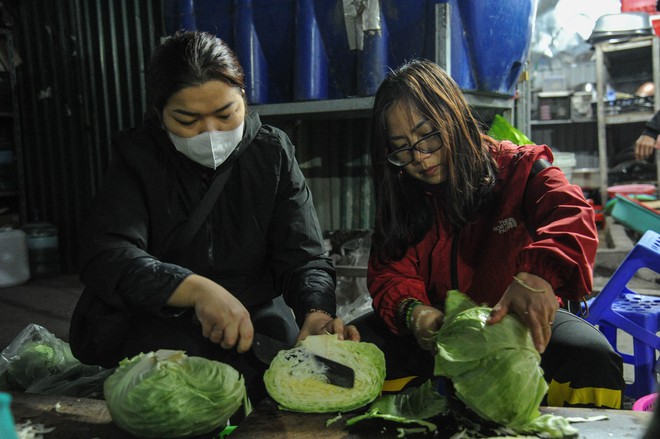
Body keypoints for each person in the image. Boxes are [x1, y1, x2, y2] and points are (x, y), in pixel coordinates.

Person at [69, 31, 358, 404]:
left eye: (226, 114)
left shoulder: (272, 154)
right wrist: (193, 289)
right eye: (187, 120)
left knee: (321, 385)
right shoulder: (138, 157)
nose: (210, 134)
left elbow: (304, 256)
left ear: (244, 98)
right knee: (178, 401)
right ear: (159, 114)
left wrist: (317, 311)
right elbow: (106, 253)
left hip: (257, 326)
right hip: (164, 324)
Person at [352, 59, 625, 408]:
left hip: (518, 330)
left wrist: (536, 277)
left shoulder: (520, 169)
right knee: (355, 353)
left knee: (591, 357)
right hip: (438, 334)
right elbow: (391, 273)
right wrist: (414, 313)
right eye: (402, 148)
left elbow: (572, 214)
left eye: (428, 136)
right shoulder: (403, 194)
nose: (420, 157)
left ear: (453, 118)